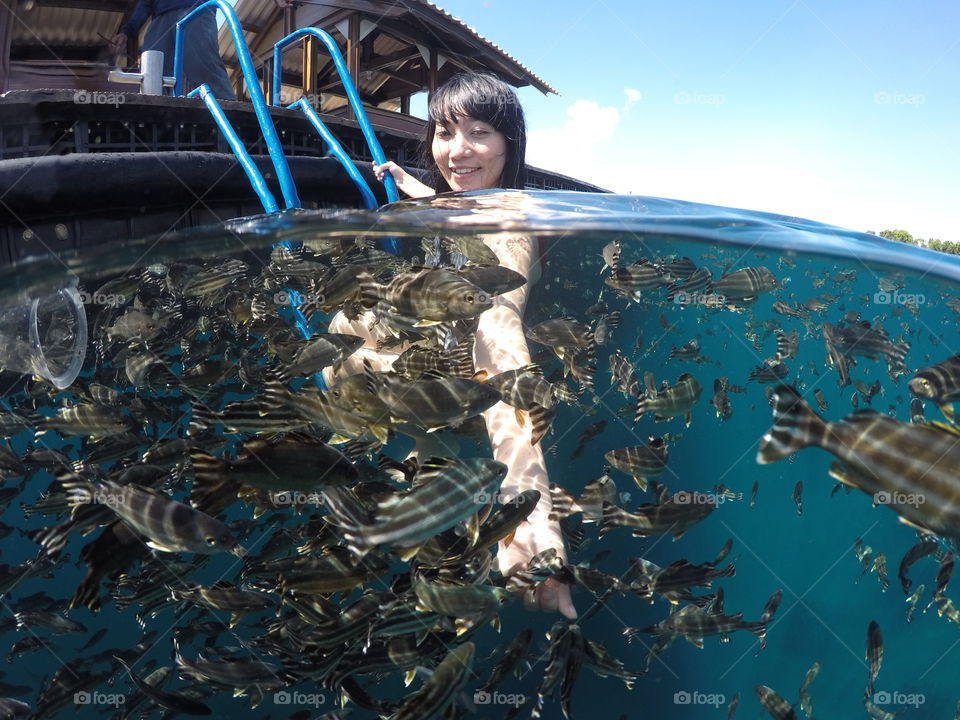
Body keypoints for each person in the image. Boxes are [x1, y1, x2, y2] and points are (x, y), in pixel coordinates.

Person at [324, 72, 576, 620]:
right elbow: (444, 195)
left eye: (479, 132)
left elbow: (505, 353)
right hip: (439, 337)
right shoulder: (462, 198)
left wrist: (536, 541)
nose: (457, 150)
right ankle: (404, 446)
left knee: (489, 351)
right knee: (344, 322)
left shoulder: (510, 224)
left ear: (510, 142)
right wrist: (402, 180)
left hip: (471, 346)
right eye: (443, 131)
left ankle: (515, 536)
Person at [110, 1, 235, 100]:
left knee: (201, 66)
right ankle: (157, 119)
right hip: (160, 16)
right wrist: (126, 32)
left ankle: (229, 114)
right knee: (152, 70)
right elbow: (145, 3)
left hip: (195, 9)